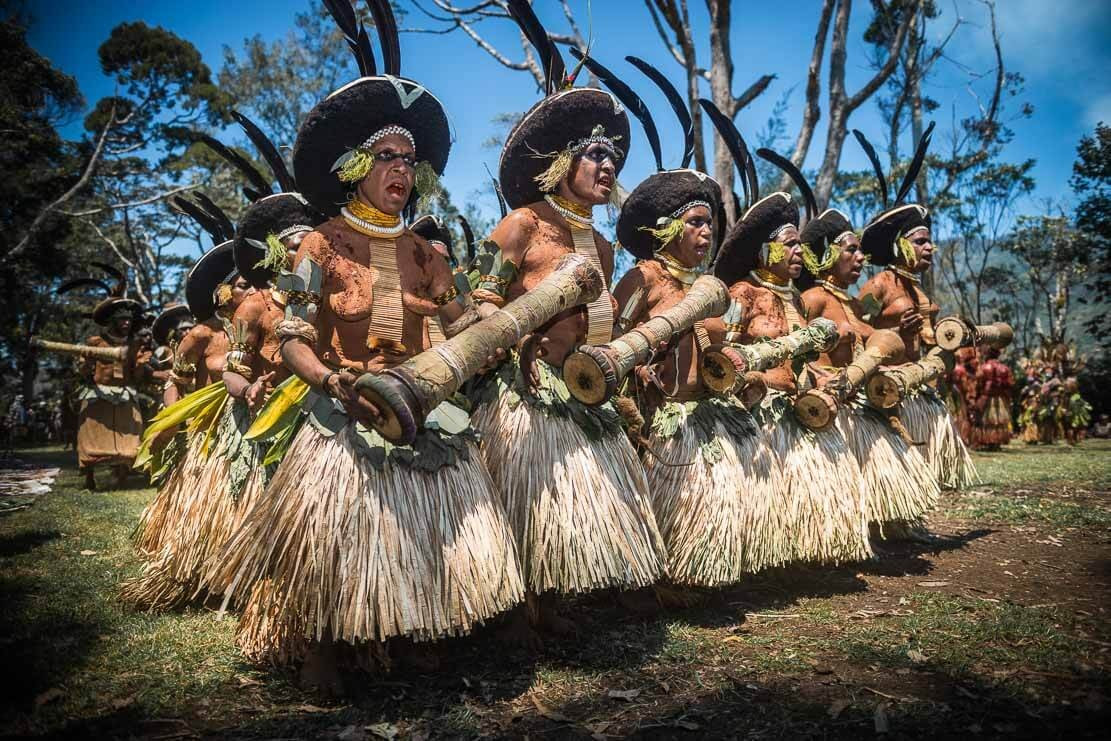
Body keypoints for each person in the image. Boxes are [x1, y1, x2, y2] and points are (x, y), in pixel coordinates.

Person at [211, 11, 522, 691]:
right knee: (335, 529)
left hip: (420, 407)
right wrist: (328, 381)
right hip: (340, 409)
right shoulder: (315, 245)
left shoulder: (427, 255)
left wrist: (502, 326)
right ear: (357, 165)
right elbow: (291, 332)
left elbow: (467, 317)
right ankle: (323, 634)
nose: (402, 171)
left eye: (410, 161)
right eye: (388, 157)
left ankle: (412, 620)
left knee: (423, 517)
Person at [468, 3, 664, 639]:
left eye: (614, 158)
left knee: (594, 490)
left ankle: (576, 587)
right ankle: (525, 598)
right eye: (596, 156)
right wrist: (508, 340)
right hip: (529, 389)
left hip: (587, 385)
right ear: (563, 163)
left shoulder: (604, 247)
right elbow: (482, 296)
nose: (609, 167)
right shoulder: (523, 222)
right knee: (535, 493)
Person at [707, 185, 871, 566]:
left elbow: (800, 359)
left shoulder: (796, 299)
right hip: (756, 416)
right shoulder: (743, 294)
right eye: (790, 244)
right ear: (765, 250)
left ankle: (793, 555)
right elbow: (720, 349)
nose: (799, 252)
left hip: (794, 409)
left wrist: (820, 376)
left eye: (801, 245)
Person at [797, 206, 939, 541]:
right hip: (834, 402)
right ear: (831, 255)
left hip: (861, 398)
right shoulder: (814, 298)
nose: (861, 257)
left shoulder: (856, 305)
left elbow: (874, 329)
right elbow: (796, 345)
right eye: (852, 250)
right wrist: (818, 378)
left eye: (860, 249)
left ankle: (891, 526)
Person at [855, 126, 975, 489]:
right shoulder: (878, 286)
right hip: (887, 386)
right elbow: (857, 326)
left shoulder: (917, 289)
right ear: (900, 246)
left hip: (917, 384)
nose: (929, 248)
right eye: (920, 241)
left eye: (930, 241)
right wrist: (890, 332)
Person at [58, 265, 149, 491]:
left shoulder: (134, 345)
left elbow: (136, 376)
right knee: (91, 436)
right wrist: (86, 362)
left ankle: (121, 474)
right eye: (122, 320)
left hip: (126, 394)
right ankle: (89, 475)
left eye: (129, 320)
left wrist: (140, 365)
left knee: (131, 436)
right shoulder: (95, 342)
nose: (127, 323)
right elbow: (84, 371)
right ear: (113, 321)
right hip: (98, 393)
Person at [972, 347, 1014, 450]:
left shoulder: (984, 367)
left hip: (987, 397)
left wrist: (978, 395)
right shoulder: (1005, 368)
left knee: (987, 420)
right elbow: (1010, 383)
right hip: (1000, 398)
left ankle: (989, 441)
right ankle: (997, 442)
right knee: (998, 421)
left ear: (987, 354)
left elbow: (978, 383)